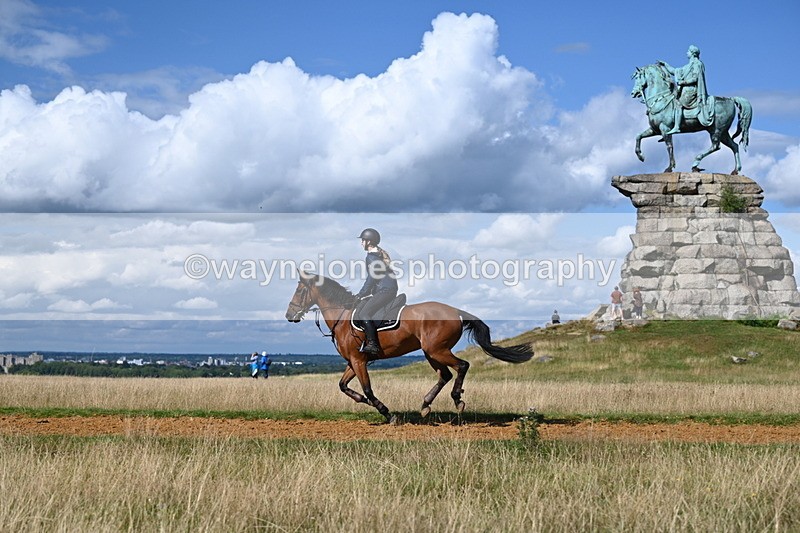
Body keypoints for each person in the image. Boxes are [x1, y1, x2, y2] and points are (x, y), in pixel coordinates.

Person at [356, 228, 398, 356]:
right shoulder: (377, 255)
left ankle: (373, 344)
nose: (361, 243)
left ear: (369, 242)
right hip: (387, 289)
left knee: (364, 313)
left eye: (363, 240)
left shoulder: (371, 257)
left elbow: (372, 278)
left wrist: (361, 294)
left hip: (385, 290)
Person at [658, 45, 714, 135]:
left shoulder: (697, 64)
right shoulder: (687, 66)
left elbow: (695, 78)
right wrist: (665, 65)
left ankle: (677, 126)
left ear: (692, 53)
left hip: (691, 91)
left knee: (677, 103)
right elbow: (675, 71)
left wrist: (683, 82)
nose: (686, 53)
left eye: (688, 51)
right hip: (685, 90)